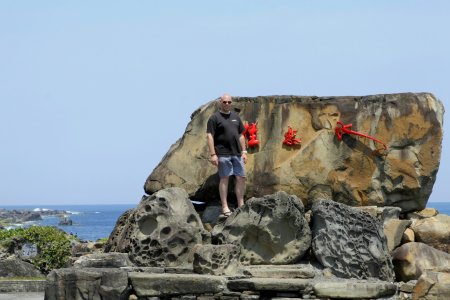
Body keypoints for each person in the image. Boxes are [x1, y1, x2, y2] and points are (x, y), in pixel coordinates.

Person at [207, 93, 248, 217]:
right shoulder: (214, 118)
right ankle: (225, 207)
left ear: (232, 103)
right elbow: (210, 135)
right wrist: (213, 154)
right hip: (222, 153)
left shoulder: (236, 117)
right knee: (225, 178)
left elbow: (241, 135)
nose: (227, 104)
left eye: (229, 102)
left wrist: (244, 151)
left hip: (237, 153)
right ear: (220, 102)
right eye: (225, 102)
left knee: (241, 178)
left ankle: (241, 205)